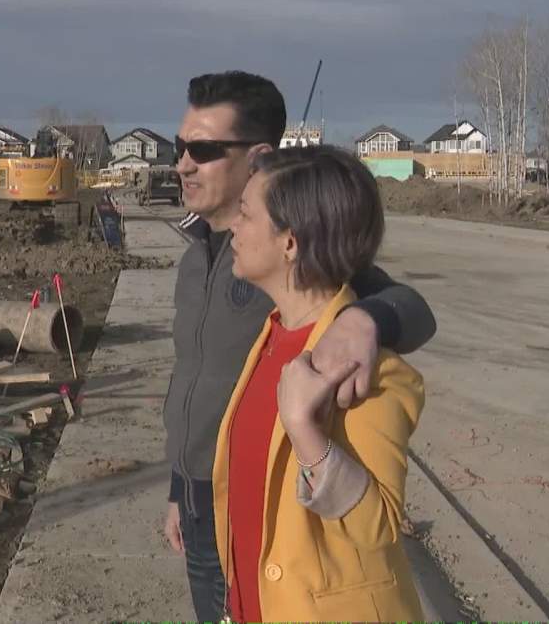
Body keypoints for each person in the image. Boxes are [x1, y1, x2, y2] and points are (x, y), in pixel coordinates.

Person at [162, 71, 436, 622]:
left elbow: (412, 310)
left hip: (280, 521)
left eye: (204, 149)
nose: (183, 164)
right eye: (179, 146)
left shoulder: (305, 269)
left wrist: (367, 318)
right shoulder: (199, 261)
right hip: (206, 501)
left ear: (258, 156)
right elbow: (194, 382)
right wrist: (179, 487)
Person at [211, 145, 424, 622]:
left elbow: (378, 526)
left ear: (290, 242)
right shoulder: (273, 335)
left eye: (246, 213)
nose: (233, 226)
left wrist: (307, 435)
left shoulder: (364, 367)